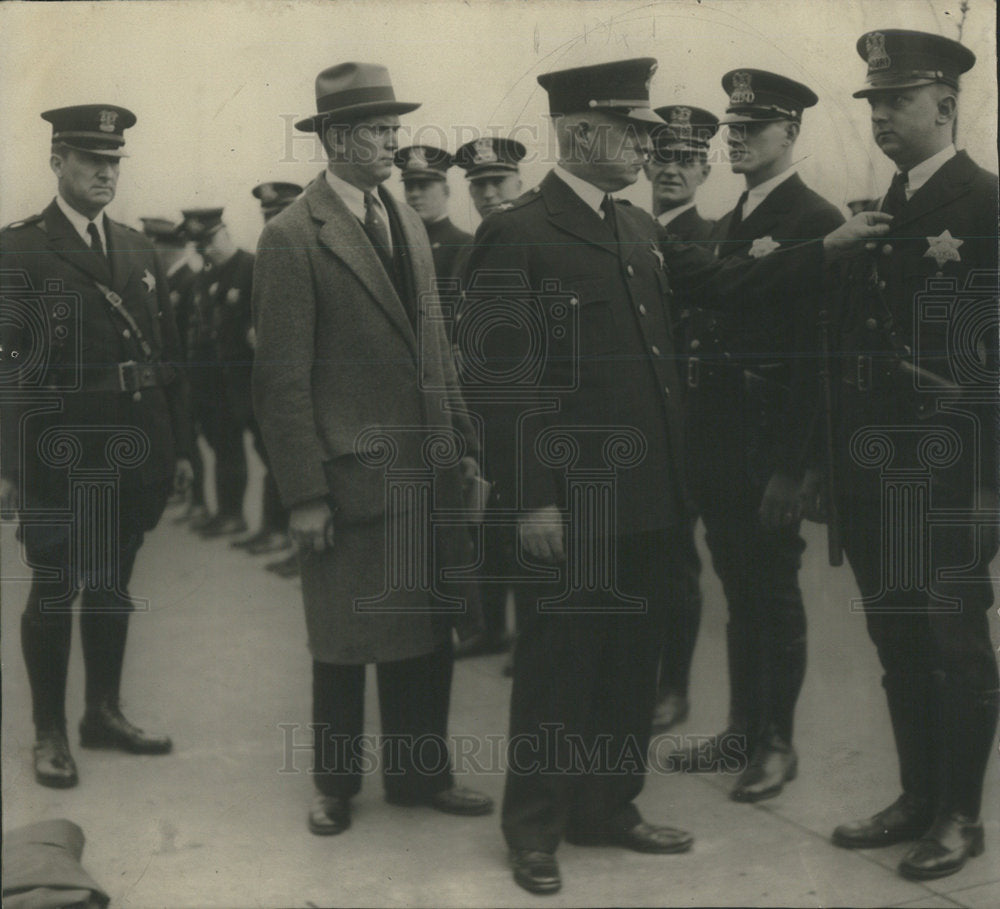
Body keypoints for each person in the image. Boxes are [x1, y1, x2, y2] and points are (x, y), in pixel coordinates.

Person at [461, 58, 696, 896]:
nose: (646, 142)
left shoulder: (638, 228)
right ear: (580, 131)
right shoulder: (518, 232)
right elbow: (497, 384)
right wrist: (531, 498)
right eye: (632, 129)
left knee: (633, 660)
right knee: (560, 666)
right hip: (569, 500)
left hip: (647, 497)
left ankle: (609, 805)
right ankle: (535, 828)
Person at [252, 61, 493, 836]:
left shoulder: (403, 219)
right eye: (377, 129)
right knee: (343, 641)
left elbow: (436, 347)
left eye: (393, 126)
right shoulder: (292, 236)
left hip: (425, 470)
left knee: (425, 628)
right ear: (333, 137)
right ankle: (335, 785)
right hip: (351, 480)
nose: (393, 140)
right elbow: (281, 383)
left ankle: (423, 778)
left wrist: (462, 443)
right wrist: (305, 495)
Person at [824, 29, 999, 881]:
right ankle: (917, 797)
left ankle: (962, 816)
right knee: (897, 641)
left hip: (954, 478)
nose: (882, 115)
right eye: (875, 102)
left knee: (953, 642)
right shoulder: (878, 209)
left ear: (946, 105)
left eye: (897, 99)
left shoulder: (987, 203)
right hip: (876, 474)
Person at [0, 104, 192, 788]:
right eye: (90, 161)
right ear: (57, 162)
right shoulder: (18, 248)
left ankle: (101, 712)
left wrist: (181, 447)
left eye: (113, 162)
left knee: (112, 584)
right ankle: (49, 730)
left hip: (133, 450)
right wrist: (9, 468)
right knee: (54, 587)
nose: (105, 173)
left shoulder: (138, 248)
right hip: (57, 454)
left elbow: (169, 356)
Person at [644, 104, 718, 731]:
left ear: (705, 170)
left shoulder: (714, 238)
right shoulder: (626, 229)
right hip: (631, 422)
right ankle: (631, 676)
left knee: (673, 560)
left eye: (687, 160)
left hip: (690, 425)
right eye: (663, 156)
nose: (672, 169)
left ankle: (674, 686)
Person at [450, 135, 528, 663]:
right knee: (490, 524)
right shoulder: (478, 243)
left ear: (520, 182)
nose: (488, 192)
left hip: (526, 411)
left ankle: (531, 638)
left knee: (529, 529)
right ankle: (492, 629)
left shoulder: (530, 237)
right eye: (478, 184)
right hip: (482, 409)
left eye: (498, 180)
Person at [229, 183, 305, 564]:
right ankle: (278, 532)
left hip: (304, 382)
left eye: (280, 214)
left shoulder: (308, 252)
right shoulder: (264, 259)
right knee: (275, 457)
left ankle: (294, 541)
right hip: (271, 382)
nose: (274, 223)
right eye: (267, 217)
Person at [180, 207, 252, 538]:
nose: (207, 251)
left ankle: (276, 528)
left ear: (225, 232)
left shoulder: (251, 267)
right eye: (200, 246)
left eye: (210, 241)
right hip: (214, 384)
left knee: (268, 452)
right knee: (225, 449)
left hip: (248, 380)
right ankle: (230, 513)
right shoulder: (203, 279)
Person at [141, 216, 204, 512]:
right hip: (176, 372)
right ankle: (193, 500)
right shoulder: (170, 282)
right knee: (183, 436)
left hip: (189, 374)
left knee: (189, 438)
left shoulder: (189, 280)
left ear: (163, 247)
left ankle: (200, 502)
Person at [394, 145, 471, 280]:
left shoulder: (464, 245)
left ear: (446, 191)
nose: (414, 194)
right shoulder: (397, 243)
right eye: (409, 186)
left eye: (424, 186)